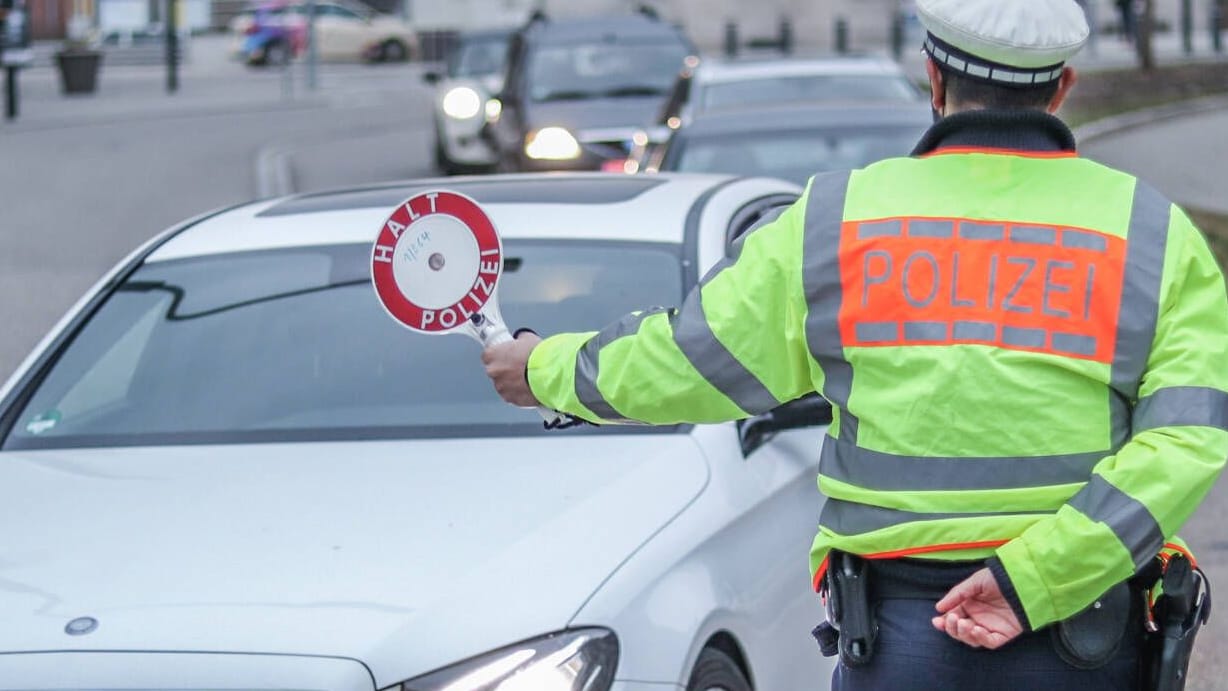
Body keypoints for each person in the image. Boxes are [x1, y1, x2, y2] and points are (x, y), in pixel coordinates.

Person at [481, 0, 1228, 687]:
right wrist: (1037, 577)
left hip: (902, 636)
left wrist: (542, 365)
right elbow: (1187, 440)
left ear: (934, 79)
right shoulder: (1154, 235)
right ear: (1062, 88)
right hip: (1082, 631)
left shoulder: (834, 223)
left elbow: (687, 361)